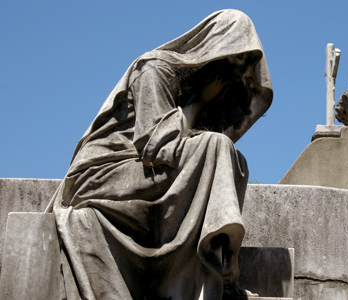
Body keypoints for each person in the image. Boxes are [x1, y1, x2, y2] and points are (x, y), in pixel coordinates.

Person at [46, 9, 273, 300]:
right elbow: (156, 148)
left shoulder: (202, 84)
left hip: (149, 173)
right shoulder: (155, 68)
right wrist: (198, 103)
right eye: (233, 56)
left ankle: (219, 267)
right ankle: (218, 272)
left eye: (242, 62)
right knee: (216, 146)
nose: (233, 69)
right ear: (214, 44)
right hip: (104, 174)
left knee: (235, 161)